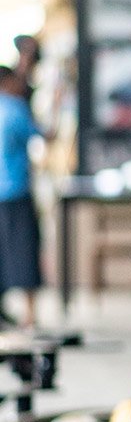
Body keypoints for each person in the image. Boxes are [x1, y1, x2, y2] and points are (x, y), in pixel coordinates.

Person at [0, 65, 42, 329]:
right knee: (25, 251)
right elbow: (41, 136)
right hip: (16, 191)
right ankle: (30, 314)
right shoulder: (15, 108)